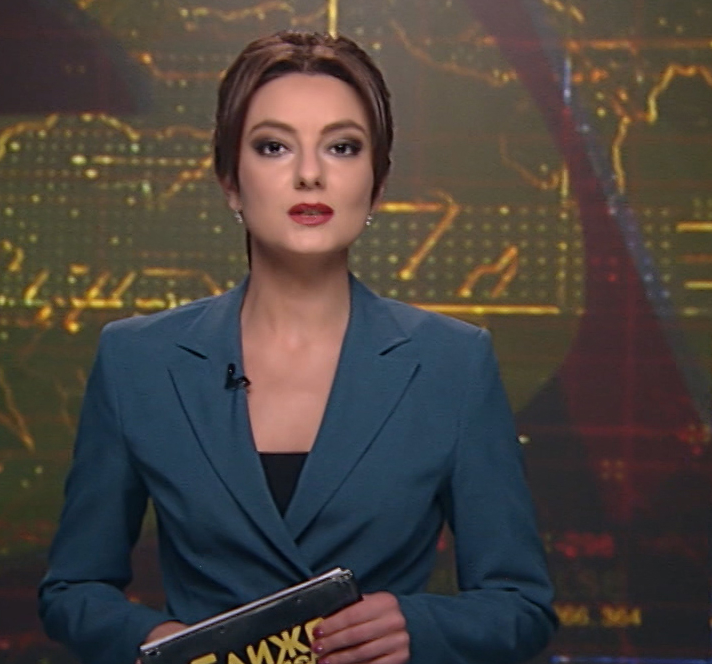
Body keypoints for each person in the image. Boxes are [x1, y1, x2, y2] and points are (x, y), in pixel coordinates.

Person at [38, 31, 557, 664]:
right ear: (230, 181)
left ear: (377, 183)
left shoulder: (453, 364)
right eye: (273, 146)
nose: (310, 174)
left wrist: (418, 627)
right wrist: (159, 644)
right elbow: (73, 589)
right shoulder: (137, 362)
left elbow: (520, 604)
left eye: (342, 147)